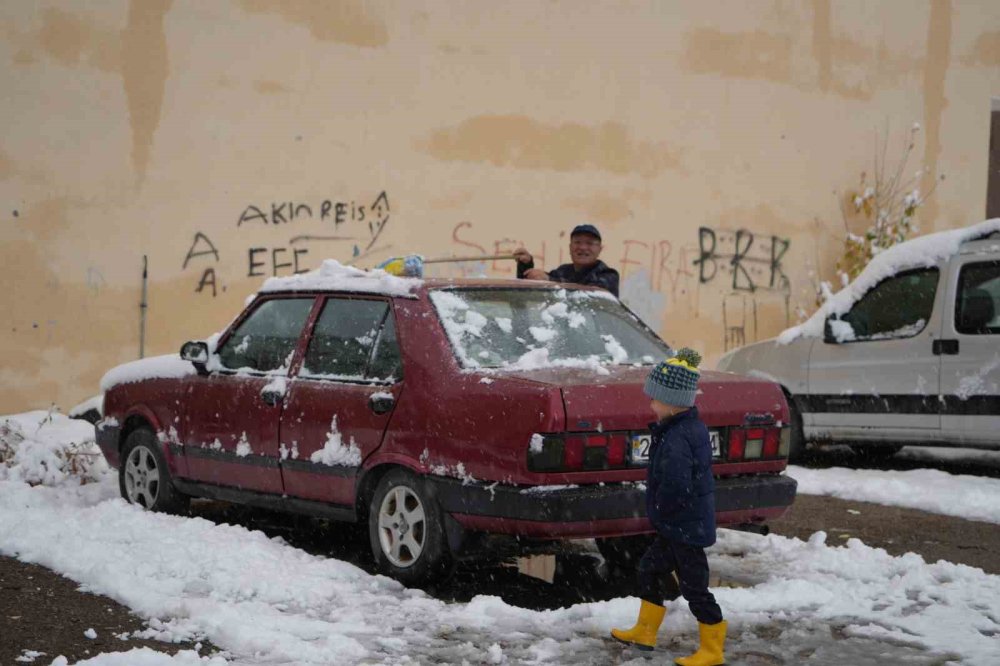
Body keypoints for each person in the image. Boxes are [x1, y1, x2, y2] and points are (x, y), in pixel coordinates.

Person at [610, 348, 727, 666]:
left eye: (654, 399)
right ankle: (645, 631)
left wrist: (661, 510)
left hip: (684, 528)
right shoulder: (685, 427)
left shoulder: (677, 438)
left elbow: (677, 485)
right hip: (677, 526)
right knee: (648, 569)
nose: (650, 404)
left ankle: (712, 650)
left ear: (671, 402)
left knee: (695, 590)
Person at [513, 224, 620, 296]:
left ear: (600, 249)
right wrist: (526, 265)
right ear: (570, 247)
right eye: (577, 242)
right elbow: (528, 290)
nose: (582, 247)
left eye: (589, 243)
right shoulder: (563, 271)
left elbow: (585, 295)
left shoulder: (608, 275)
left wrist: (549, 281)